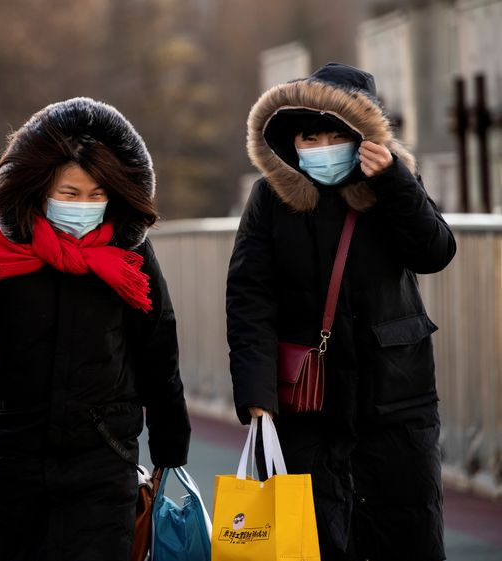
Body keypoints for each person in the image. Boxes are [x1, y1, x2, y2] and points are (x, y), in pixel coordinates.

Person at [227, 62, 456, 561]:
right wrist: (256, 395)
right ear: (293, 141)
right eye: (311, 135)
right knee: (314, 539)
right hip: (307, 401)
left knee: (404, 531)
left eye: (338, 134)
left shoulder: (394, 184)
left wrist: (396, 182)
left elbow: (435, 252)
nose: (323, 146)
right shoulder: (272, 196)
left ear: (364, 135)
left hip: (396, 397)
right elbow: (249, 294)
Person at [0, 97, 191, 560]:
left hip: (102, 461)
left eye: (96, 194)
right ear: (40, 189)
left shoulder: (130, 259)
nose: (84, 205)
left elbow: (157, 348)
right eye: (70, 193)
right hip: (7, 462)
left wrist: (170, 442)